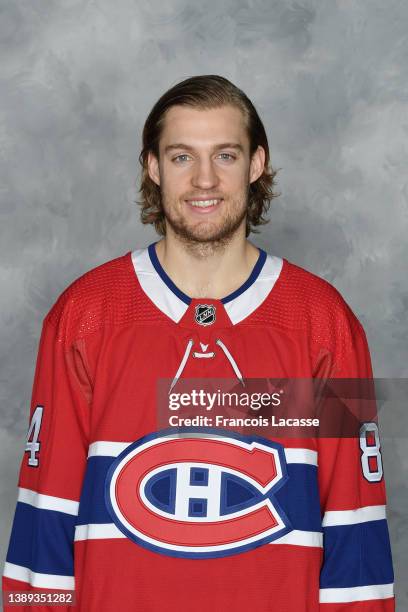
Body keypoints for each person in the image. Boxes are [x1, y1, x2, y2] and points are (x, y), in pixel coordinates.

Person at [2, 75, 395, 611]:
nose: (204, 180)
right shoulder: (85, 315)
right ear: (153, 167)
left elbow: (355, 524)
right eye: (182, 157)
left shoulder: (323, 322)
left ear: (256, 164)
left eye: (226, 155)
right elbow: (44, 519)